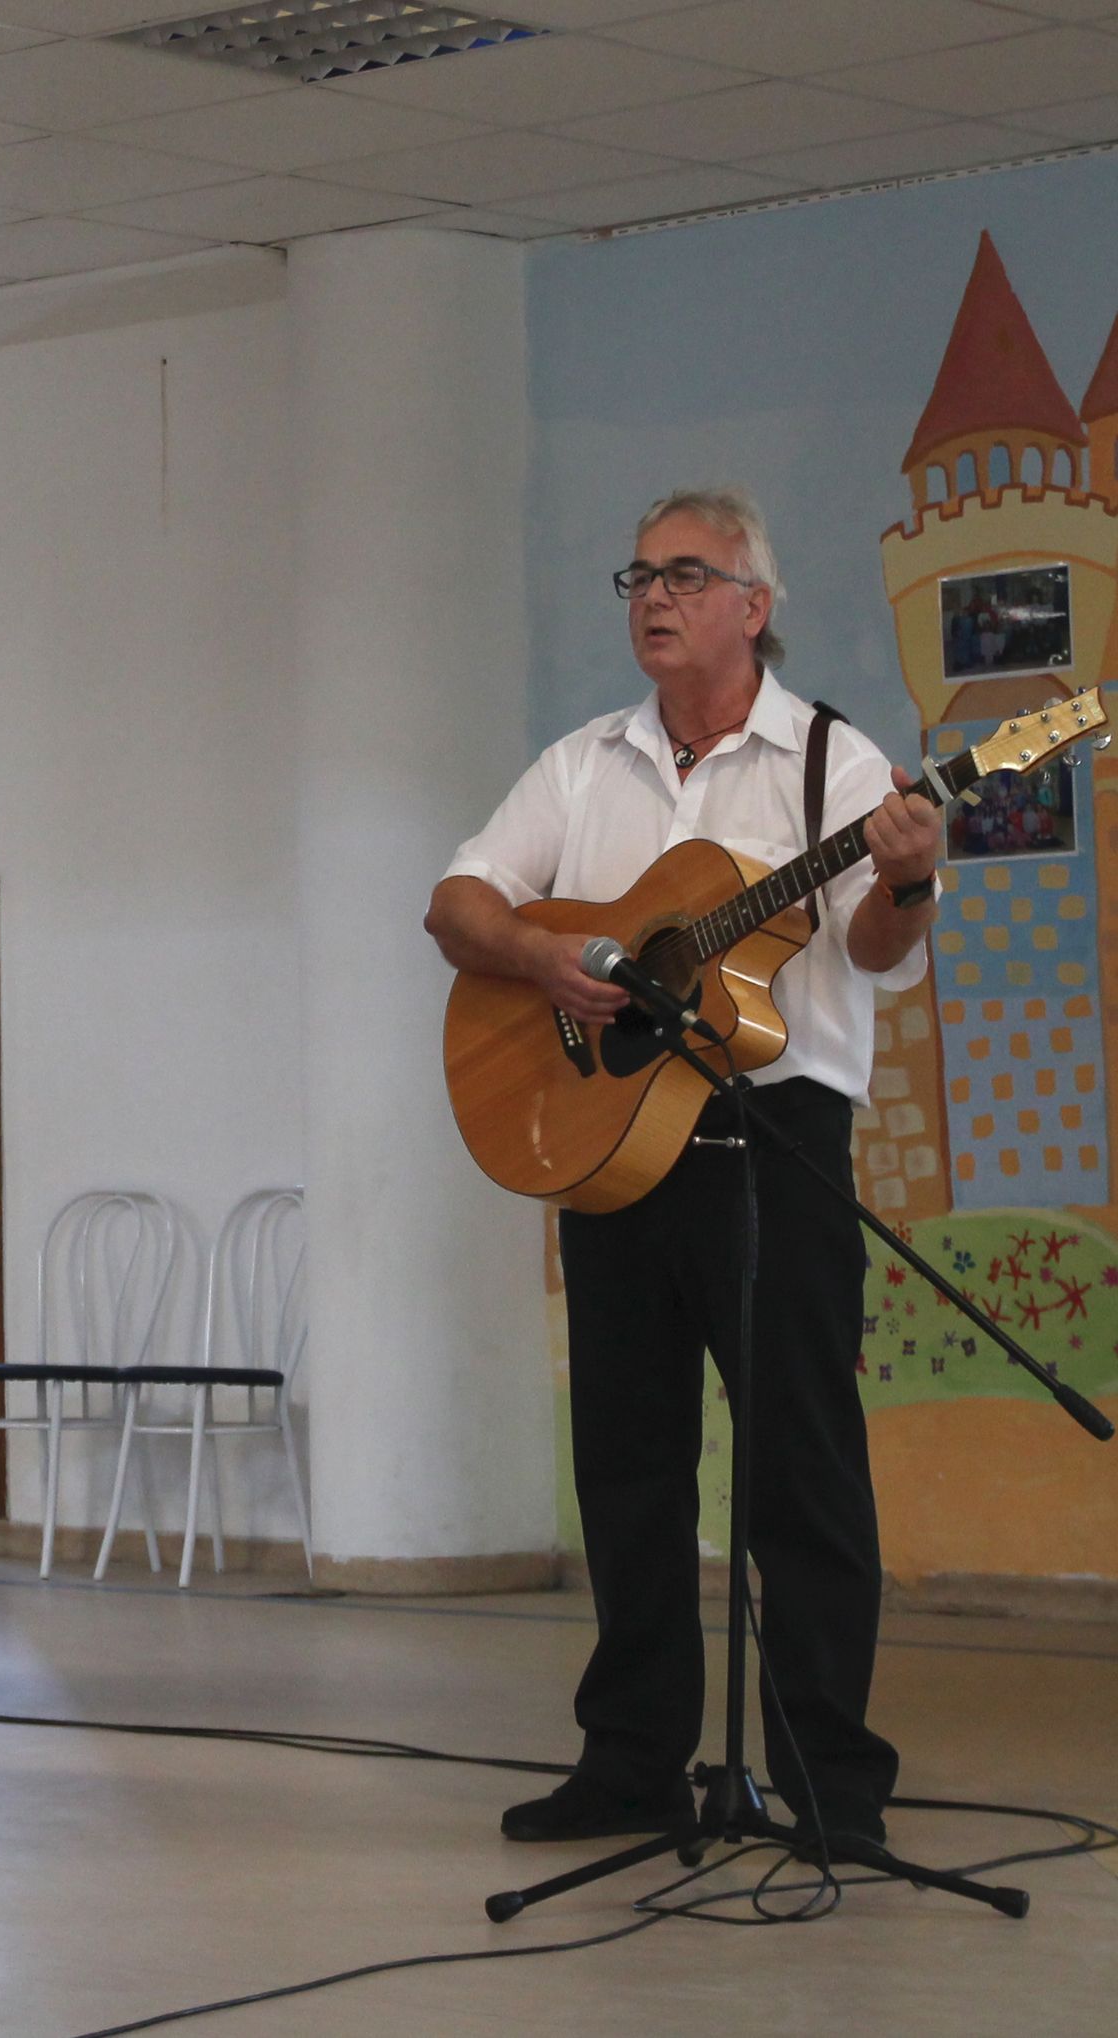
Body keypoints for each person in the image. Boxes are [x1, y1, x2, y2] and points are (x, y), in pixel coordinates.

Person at [425, 486, 942, 1856]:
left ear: (753, 607)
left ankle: (831, 1781)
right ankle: (633, 1763)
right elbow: (459, 901)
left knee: (802, 1473)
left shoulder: (833, 764)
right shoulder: (583, 764)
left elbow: (877, 949)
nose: (654, 595)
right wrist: (546, 957)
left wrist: (905, 881)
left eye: (686, 574)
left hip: (775, 1150)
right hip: (615, 1154)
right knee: (628, 1470)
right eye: (640, 575)